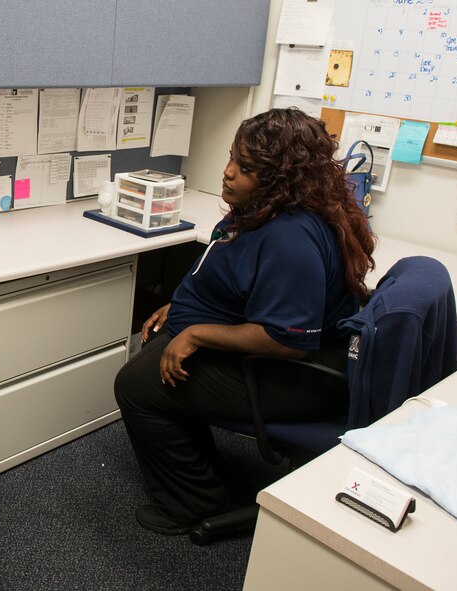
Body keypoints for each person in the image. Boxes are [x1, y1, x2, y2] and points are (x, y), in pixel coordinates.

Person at [114, 108, 376, 535]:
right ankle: (205, 474)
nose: (228, 173)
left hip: (292, 373)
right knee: (158, 352)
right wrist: (181, 308)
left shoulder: (290, 237)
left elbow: (287, 339)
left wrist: (197, 331)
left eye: (247, 168)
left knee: (136, 385)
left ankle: (194, 502)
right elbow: (233, 276)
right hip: (274, 356)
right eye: (232, 158)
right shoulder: (262, 210)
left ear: (283, 179)